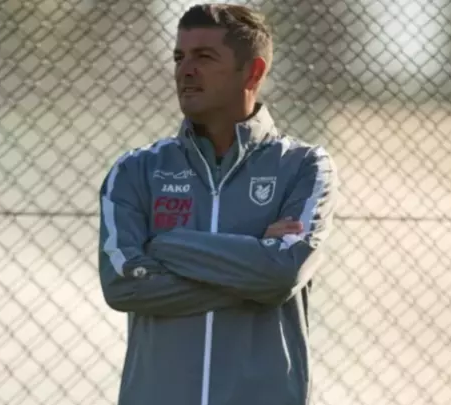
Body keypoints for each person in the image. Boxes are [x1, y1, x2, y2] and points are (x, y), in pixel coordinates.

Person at [98, 4, 338, 405]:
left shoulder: (305, 166)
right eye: (179, 57)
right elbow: (124, 284)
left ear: (253, 72)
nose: (185, 70)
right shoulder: (136, 170)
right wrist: (254, 269)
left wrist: (166, 245)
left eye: (204, 57)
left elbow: (283, 272)